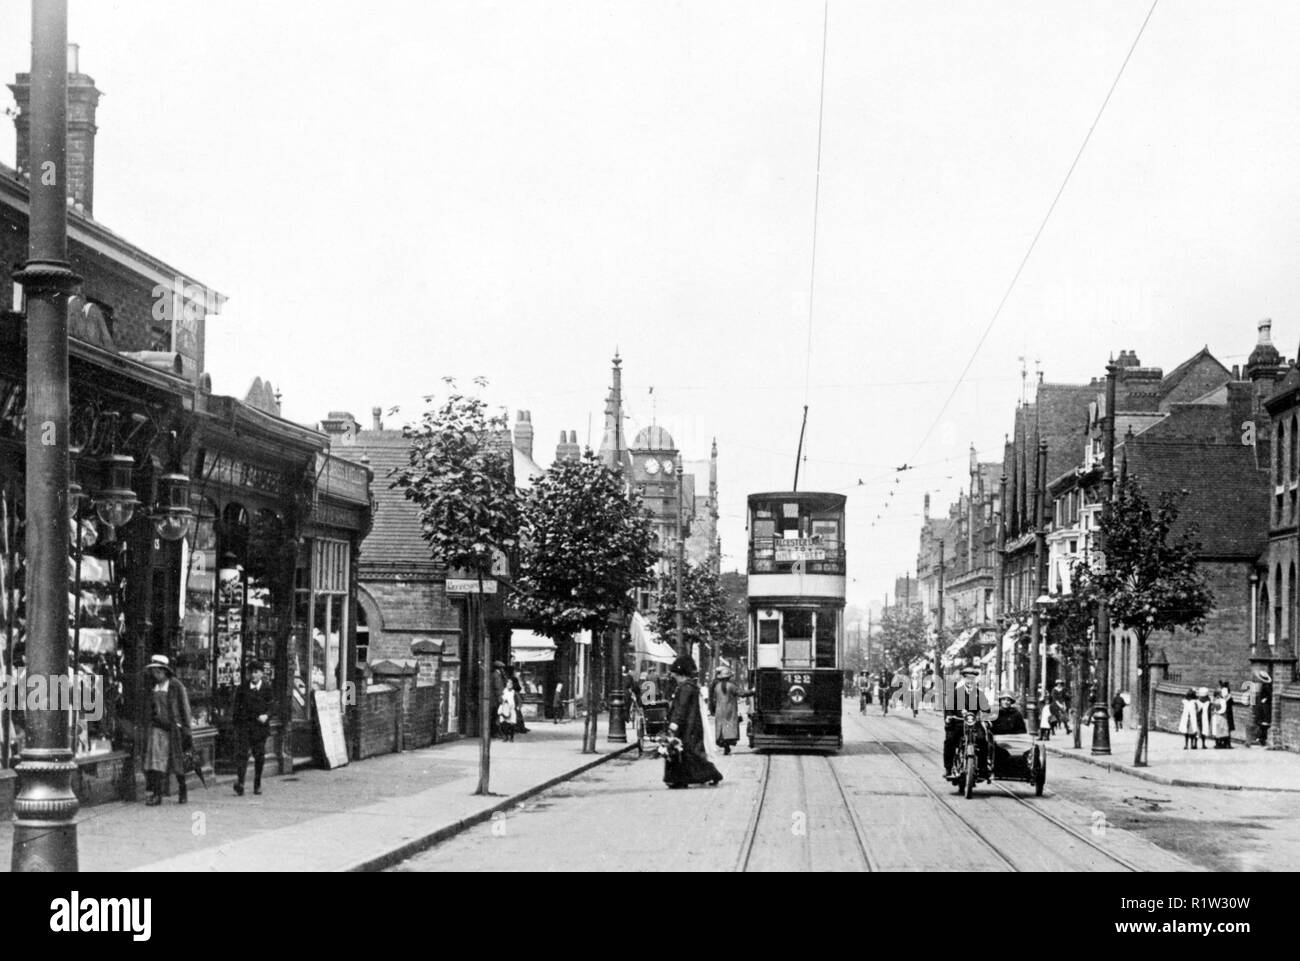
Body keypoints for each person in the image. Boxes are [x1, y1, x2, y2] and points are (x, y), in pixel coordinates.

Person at [663, 655, 723, 789]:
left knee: (688, 754)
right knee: (683, 753)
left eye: (675, 675)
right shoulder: (689, 686)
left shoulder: (685, 688)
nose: (674, 678)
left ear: (680, 674)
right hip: (690, 725)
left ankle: (711, 774)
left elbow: (681, 708)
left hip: (687, 727)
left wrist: (675, 723)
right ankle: (679, 779)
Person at [142, 655, 193, 806]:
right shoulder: (154, 687)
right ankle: (157, 795)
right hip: (158, 729)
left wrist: (187, 730)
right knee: (156, 763)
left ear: (165, 671)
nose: (156, 675)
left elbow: (185, 708)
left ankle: (183, 791)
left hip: (173, 729)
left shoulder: (176, 686)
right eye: (154, 672)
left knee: (177, 762)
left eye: (158, 672)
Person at [232, 659, 273, 796]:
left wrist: (267, 716)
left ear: (261, 673)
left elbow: (272, 706)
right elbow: (236, 708)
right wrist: (236, 726)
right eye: (251, 673)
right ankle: (241, 782)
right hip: (245, 727)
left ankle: (257, 783)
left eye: (256, 672)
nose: (253, 675)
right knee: (242, 755)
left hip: (260, 728)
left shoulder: (267, 688)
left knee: (259, 756)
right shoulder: (242, 688)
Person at [943, 666, 992, 778]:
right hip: (959, 723)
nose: (970, 681)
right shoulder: (956, 693)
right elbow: (949, 707)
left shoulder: (979, 694)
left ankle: (983, 768)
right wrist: (949, 716)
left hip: (974, 723)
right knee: (950, 741)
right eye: (968, 678)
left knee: (982, 740)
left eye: (972, 679)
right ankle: (948, 768)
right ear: (964, 679)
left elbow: (986, 708)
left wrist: (986, 714)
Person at [709, 664, 751, 756]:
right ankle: (727, 746)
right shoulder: (731, 686)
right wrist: (752, 691)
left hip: (719, 711)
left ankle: (725, 746)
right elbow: (741, 693)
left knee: (721, 729)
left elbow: (713, 698)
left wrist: (712, 709)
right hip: (730, 710)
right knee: (729, 728)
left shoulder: (717, 686)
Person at [490, 661, 505, 738]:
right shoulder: (496, 675)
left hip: (495, 699)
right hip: (495, 700)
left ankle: (495, 732)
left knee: (495, 716)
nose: (503, 670)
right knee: (496, 716)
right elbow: (497, 687)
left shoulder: (495, 675)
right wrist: (500, 698)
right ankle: (495, 732)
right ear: (500, 668)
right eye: (502, 668)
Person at [1218, 680, 1235, 748]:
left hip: (1223, 714)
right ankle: (1227, 743)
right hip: (1228, 715)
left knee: (1223, 728)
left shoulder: (1220, 698)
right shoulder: (1229, 698)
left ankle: (1222, 743)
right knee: (1228, 729)